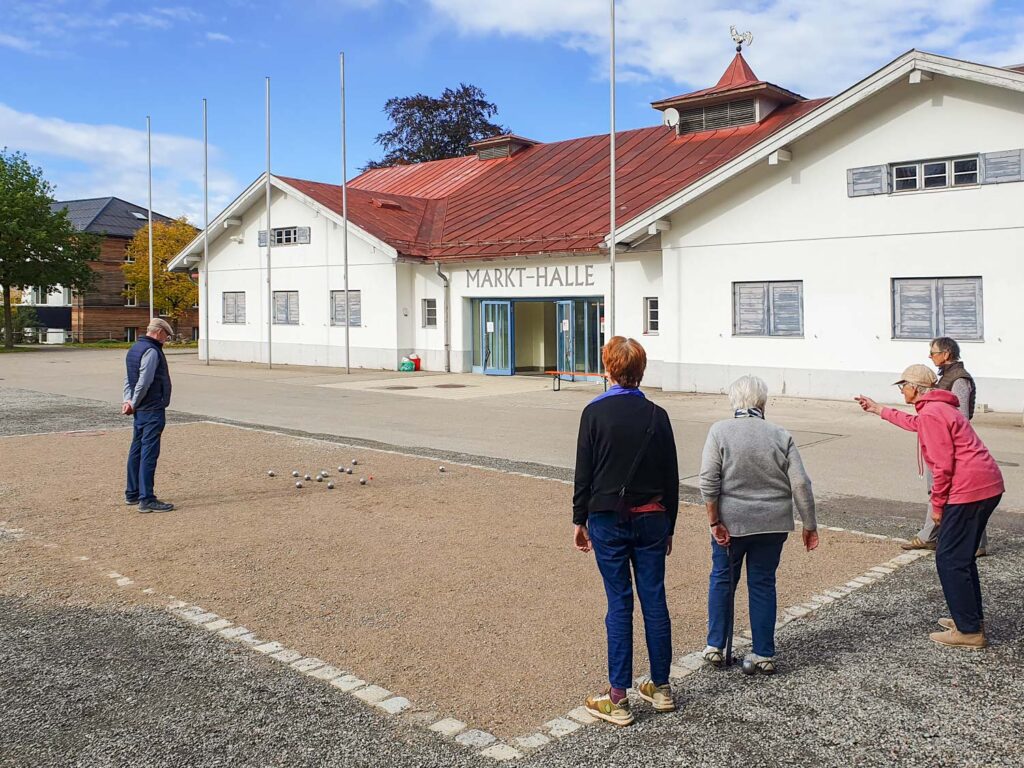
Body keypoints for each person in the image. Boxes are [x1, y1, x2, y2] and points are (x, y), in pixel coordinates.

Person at [855, 365, 1003, 649]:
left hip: (969, 489)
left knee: (949, 558)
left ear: (916, 388)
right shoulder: (936, 408)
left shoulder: (933, 413)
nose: (902, 391)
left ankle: (969, 631)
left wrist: (937, 507)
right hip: (985, 485)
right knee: (961, 557)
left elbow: (943, 466)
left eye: (903, 386)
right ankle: (969, 619)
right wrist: (877, 409)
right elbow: (914, 424)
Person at [573, 336, 679, 726]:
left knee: (619, 603)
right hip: (653, 516)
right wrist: (670, 526)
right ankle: (662, 687)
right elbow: (672, 476)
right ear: (642, 370)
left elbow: (583, 472)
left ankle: (617, 697)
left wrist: (578, 520)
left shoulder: (594, 413)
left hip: (607, 518)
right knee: (654, 599)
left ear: (609, 369)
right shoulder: (658, 414)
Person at [698, 375, 818, 675]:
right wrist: (809, 524)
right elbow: (801, 483)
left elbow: (708, 479)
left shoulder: (720, 432)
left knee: (723, 580)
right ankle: (763, 652)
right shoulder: (780, 434)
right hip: (773, 523)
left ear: (733, 401)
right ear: (762, 403)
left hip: (731, 522)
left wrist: (714, 520)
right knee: (763, 583)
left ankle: (716, 645)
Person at [903, 337, 988, 556]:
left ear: (946, 354)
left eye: (933, 353)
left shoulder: (959, 379)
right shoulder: (946, 377)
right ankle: (929, 536)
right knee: (938, 491)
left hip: (953, 446)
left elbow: (960, 416)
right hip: (940, 441)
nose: (930, 357)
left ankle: (977, 543)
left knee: (966, 496)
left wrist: (943, 439)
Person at [123, 318, 175, 513]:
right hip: (151, 408)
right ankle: (147, 498)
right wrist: (134, 402)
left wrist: (127, 401)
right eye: (166, 337)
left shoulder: (134, 348)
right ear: (159, 332)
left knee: (136, 449)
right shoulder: (152, 351)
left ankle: (132, 493)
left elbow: (128, 379)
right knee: (149, 453)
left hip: (140, 409)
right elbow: (144, 381)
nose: (166, 341)